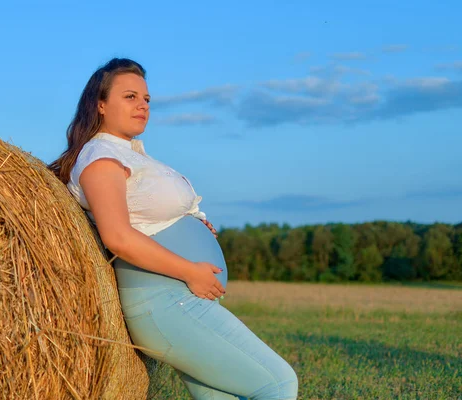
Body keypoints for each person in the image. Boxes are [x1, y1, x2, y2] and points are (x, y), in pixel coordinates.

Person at [49, 58, 298, 400]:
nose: (142, 106)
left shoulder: (132, 154)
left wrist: (191, 222)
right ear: (101, 104)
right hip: (166, 303)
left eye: (147, 99)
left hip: (178, 302)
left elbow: (147, 216)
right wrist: (190, 270)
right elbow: (117, 236)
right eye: (130, 97)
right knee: (278, 383)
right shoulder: (101, 158)